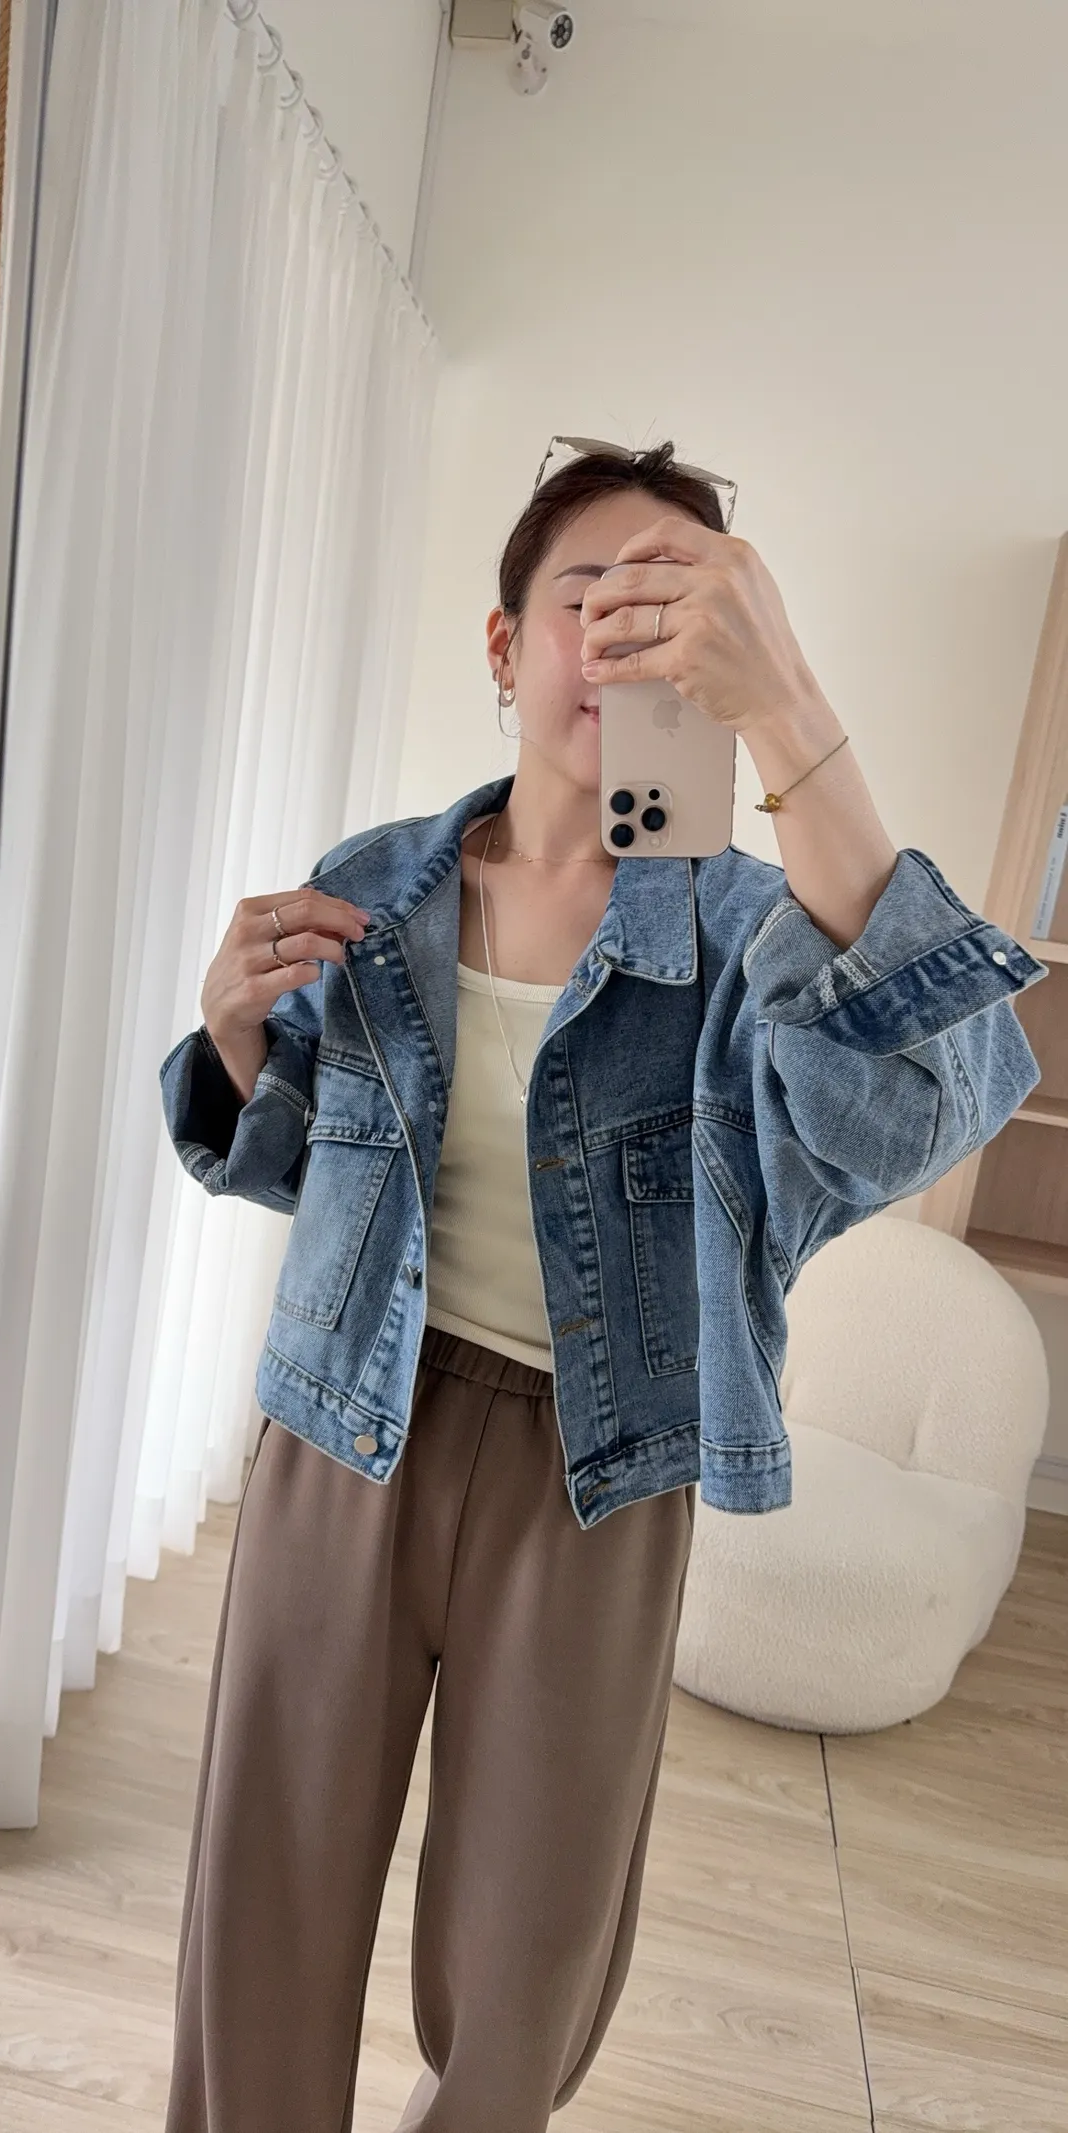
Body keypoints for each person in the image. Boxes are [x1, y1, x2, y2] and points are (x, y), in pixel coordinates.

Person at [158, 440, 1044, 2132]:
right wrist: (232, 1035)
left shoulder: (749, 932)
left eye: (680, 609)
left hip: (597, 1474)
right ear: (506, 646)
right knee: (260, 1917)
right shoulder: (380, 882)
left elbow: (938, 1099)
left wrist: (791, 719)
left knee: (526, 1976)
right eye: (593, 597)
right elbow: (296, 1166)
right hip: (342, 1436)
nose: (628, 639)